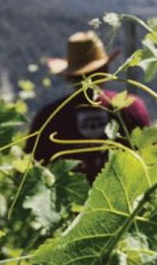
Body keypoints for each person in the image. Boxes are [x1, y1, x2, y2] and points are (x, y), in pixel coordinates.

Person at [27, 31, 150, 182]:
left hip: (66, 196)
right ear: (106, 70)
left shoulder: (49, 116)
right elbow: (148, 162)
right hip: (125, 195)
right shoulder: (132, 107)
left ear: (69, 76)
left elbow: (29, 173)